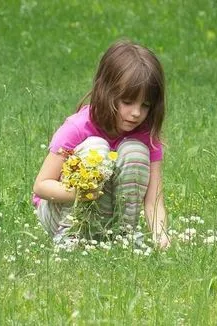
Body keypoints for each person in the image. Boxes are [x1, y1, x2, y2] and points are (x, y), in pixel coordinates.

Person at [33, 40, 169, 248]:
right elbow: (41, 186)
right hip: (60, 212)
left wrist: (161, 238)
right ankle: (71, 237)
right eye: (127, 102)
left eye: (145, 105)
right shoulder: (78, 127)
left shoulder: (146, 136)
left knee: (135, 151)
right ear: (107, 92)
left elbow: (153, 199)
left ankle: (123, 235)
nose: (136, 113)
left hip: (105, 216)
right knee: (96, 147)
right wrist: (82, 192)